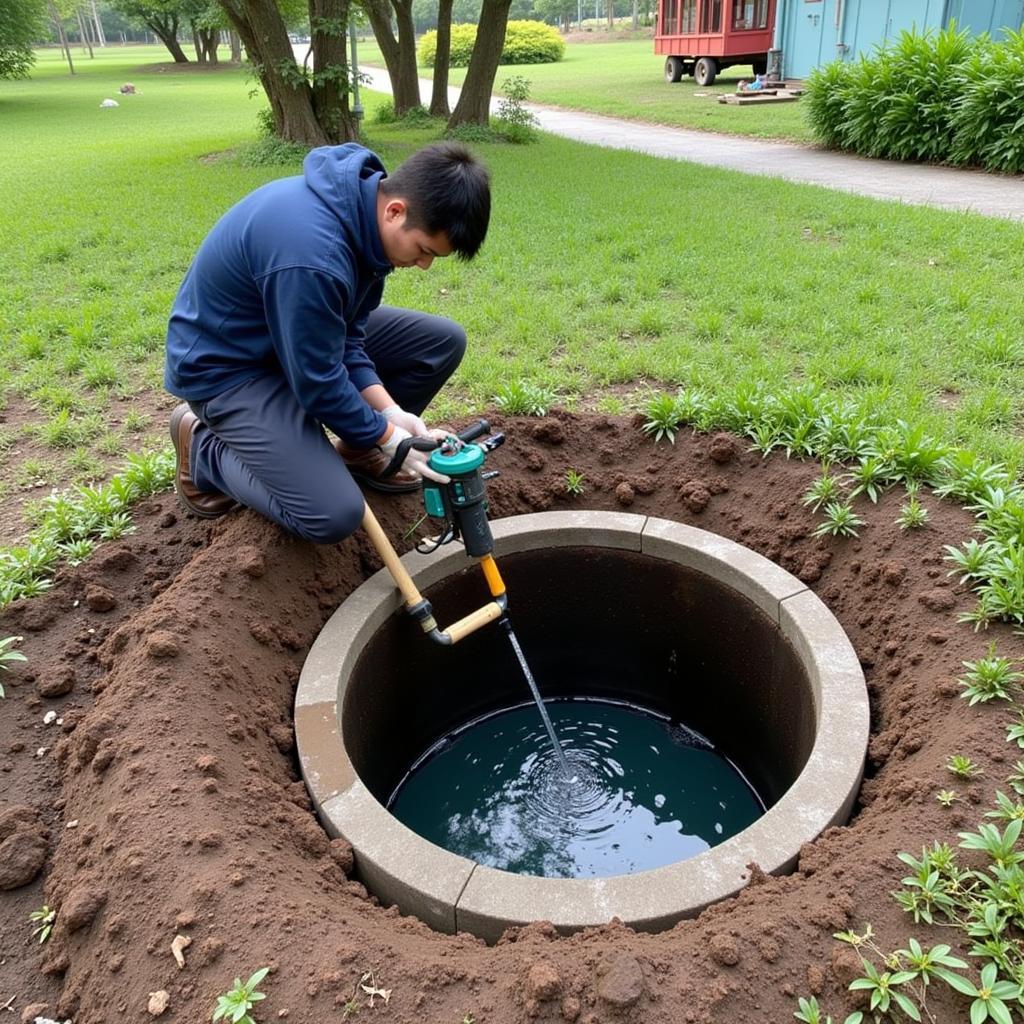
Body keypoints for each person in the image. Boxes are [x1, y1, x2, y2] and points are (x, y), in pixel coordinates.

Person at [164, 141, 491, 544]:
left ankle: (358, 448)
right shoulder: (315, 254)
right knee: (333, 515)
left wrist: (389, 414)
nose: (424, 265)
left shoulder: (364, 224)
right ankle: (202, 448)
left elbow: (348, 341)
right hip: (229, 366)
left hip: (290, 338)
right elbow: (318, 381)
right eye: (424, 250)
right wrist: (389, 439)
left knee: (439, 341)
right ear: (395, 210)